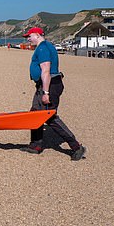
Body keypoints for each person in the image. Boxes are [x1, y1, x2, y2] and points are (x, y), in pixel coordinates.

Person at [20, 27, 86, 161]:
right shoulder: (46, 46)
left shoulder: (43, 48)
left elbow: (46, 71)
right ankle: (36, 145)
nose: (28, 38)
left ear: (37, 35)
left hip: (50, 85)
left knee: (49, 116)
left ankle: (76, 146)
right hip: (46, 84)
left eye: (29, 36)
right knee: (35, 113)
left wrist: (46, 92)